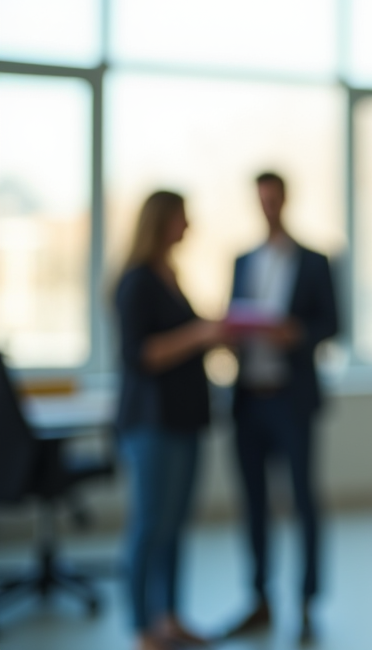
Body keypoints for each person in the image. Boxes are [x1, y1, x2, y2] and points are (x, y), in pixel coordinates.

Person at [224, 172, 339, 643]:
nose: (268, 206)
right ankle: (260, 598)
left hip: (292, 399)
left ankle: (308, 601)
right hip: (250, 398)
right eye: (261, 200)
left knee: (303, 499)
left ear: (285, 199)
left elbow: (332, 323)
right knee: (253, 503)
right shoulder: (242, 261)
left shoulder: (314, 262)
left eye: (274, 199)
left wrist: (296, 334)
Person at [115, 191, 225, 650]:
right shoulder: (136, 282)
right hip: (151, 423)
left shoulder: (172, 277)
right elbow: (143, 353)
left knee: (176, 524)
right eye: (182, 218)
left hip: (185, 419)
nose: (189, 226)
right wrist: (199, 333)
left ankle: (170, 616)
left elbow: (188, 341)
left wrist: (219, 335)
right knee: (149, 525)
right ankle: (143, 627)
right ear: (161, 222)